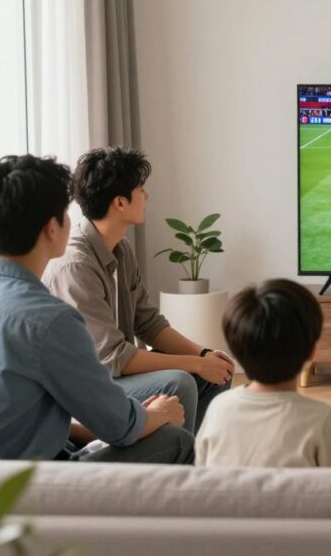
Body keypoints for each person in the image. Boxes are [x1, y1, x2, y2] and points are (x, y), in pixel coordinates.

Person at [0, 154, 192, 463]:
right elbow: (120, 426)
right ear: (52, 228)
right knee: (176, 440)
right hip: (25, 487)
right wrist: (159, 414)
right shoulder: (51, 321)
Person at [43, 147, 233, 435]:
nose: (147, 196)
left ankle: (191, 457)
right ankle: (176, 463)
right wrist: (195, 363)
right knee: (180, 381)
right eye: (141, 189)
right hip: (88, 385)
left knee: (218, 371)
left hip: (114, 371)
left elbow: (148, 322)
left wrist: (205, 354)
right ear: (120, 202)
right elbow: (112, 358)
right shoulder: (76, 265)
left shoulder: (120, 248)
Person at [196, 279, 331, 468]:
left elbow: (203, 475)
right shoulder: (322, 418)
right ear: (312, 351)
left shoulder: (218, 408)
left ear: (236, 350)